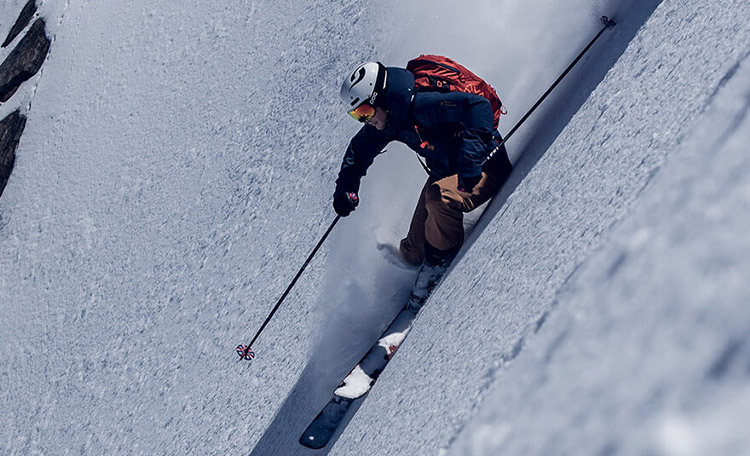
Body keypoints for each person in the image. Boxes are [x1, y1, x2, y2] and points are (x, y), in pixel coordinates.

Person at [333, 61, 513, 267]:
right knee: (412, 251)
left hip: (486, 165)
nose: (366, 120)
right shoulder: (389, 120)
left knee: (438, 198)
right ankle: (427, 260)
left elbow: (477, 106)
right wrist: (345, 190)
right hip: (447, 173)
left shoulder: (423, 105)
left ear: (381, 99)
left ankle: (440, 265)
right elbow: (358, 152)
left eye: (365, 111)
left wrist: (470, 160)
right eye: (357, 116)